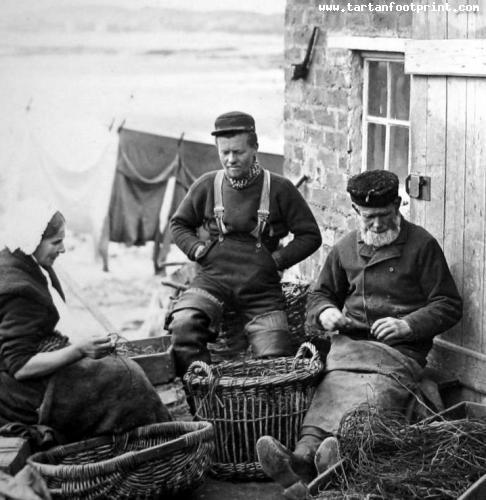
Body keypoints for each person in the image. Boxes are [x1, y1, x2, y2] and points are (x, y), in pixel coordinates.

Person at [257, 169, 462, 498]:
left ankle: (334, 464)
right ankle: (302, 460)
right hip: (348, 350)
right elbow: (319, 295)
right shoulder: (344, 249)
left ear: (398, 205)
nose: (377, 225)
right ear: (356, 212)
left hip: (397, 356)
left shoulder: (422, 245)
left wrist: (408, 324)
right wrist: (327, 312)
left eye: (384, 215)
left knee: (371, 401)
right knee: (328, 393)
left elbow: (448, 304)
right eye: (368, 218)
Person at [0, 199, 170, 444]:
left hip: (18, 375)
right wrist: (79, 350)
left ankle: (152, 434)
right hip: (18, 394)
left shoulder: (16, 258)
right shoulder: (20, 290)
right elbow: (21, 366)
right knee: (123, 377)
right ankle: (156, 442)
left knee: (117, 369)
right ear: (32, 239)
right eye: (56, 242)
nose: (63, 249)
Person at [168, 111, 322, 375]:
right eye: (224, 152)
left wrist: (276, 260)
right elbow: (178, 224)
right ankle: (201, 400)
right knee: (183, 327)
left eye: (238, 152)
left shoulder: (280, 189)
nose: (230, 159)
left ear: (255, 148)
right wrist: (197, 249)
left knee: (275, 356)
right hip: (211, 281)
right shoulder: (207, 185)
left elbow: (310, 235)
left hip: (261, 290)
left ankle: (262, 415)